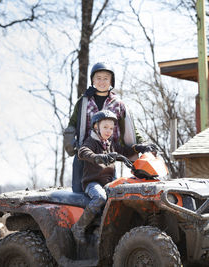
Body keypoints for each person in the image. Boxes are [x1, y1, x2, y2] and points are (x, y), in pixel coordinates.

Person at [71, 110, 154, 244]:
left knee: (127, 193)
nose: (109, 131)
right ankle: (78, 227)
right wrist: (98, 157)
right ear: (96, 127)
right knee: (100, 198)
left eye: (111, 128)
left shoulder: (110, 144)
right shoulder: (91, 141)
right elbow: (83, 151)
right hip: (92, 183)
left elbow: (123, 151)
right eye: (105, 127)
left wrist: (138, 148)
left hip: (109, 182)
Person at [64, 62, 143, 193]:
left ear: (111, 80)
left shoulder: (119, 104)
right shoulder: (83, 102)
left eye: (106, 78)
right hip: (84, 156)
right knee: (78, 195)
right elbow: (72, 124)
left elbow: (131, 130)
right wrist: (69, 141)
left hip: (108, 155)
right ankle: (85, 214)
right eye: (98, 78)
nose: (102, 81)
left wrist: (143, 144)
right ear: (92, 80)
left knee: (111, 195)